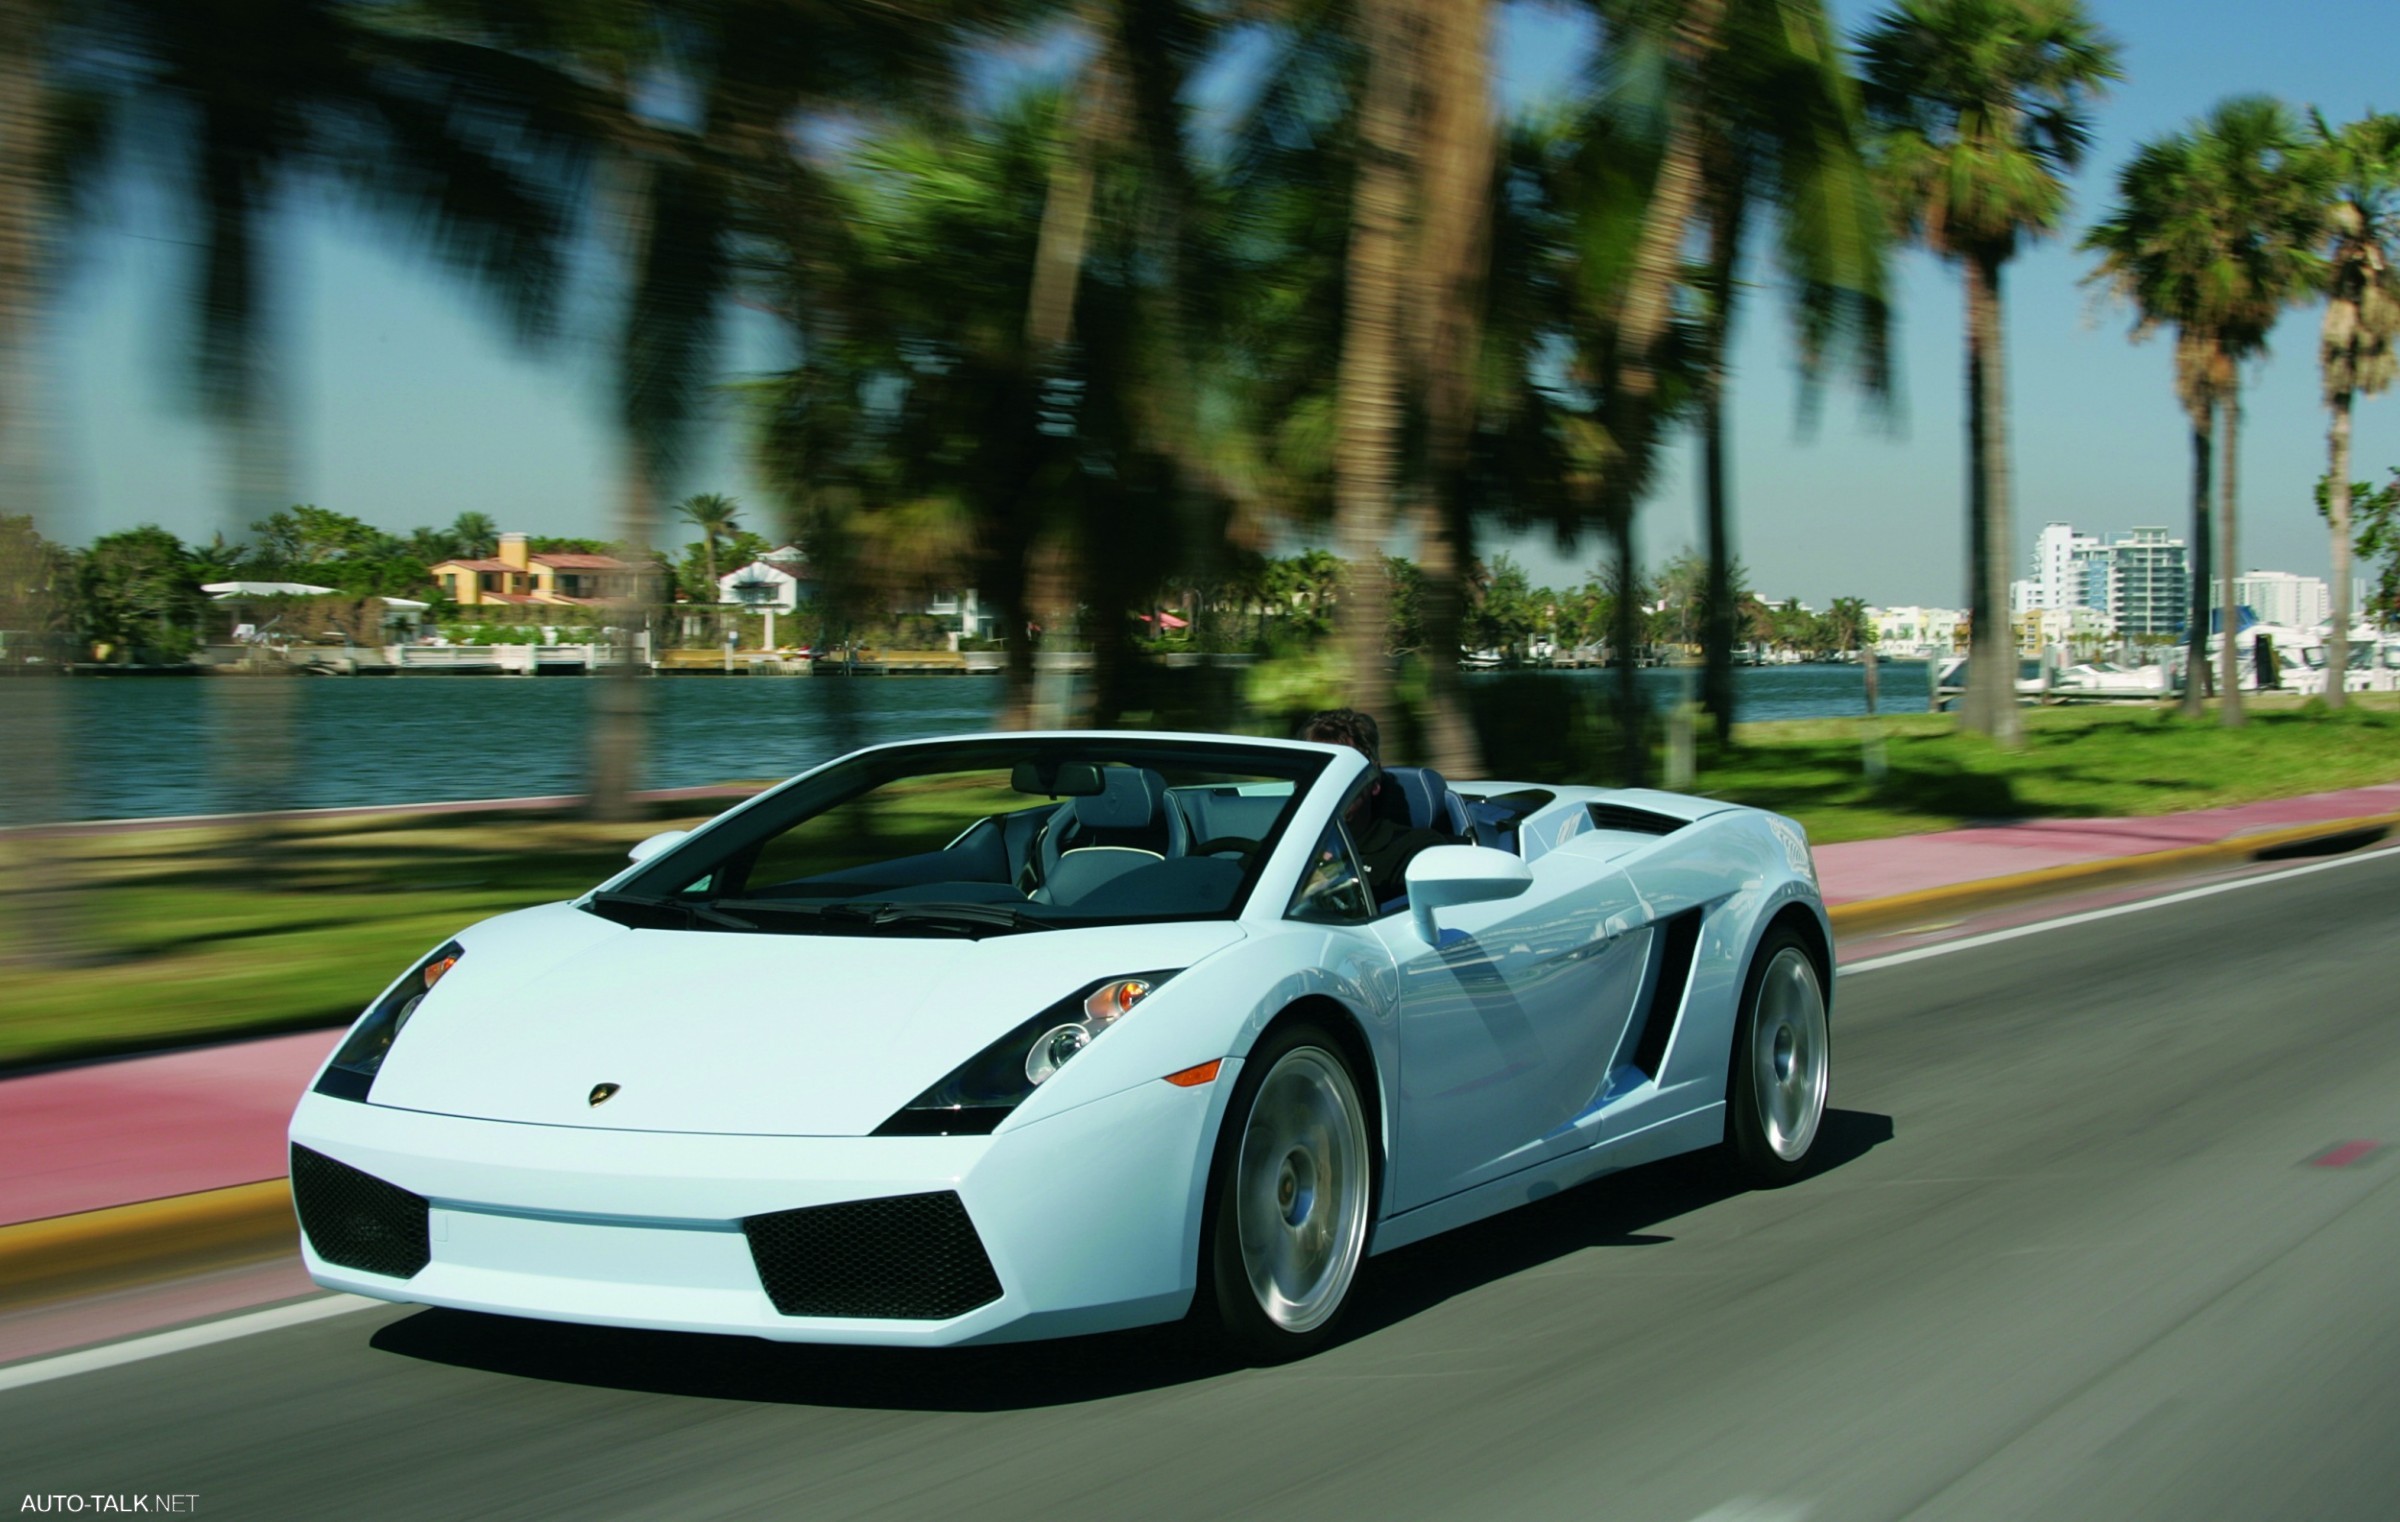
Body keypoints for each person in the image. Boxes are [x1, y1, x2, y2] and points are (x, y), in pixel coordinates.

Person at [1297, 708, 1451, 907]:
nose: (1325, 784)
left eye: (1339, 773)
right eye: (1314, 771)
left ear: (1374, 781)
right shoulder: (1279, 847)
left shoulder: (1415, 851)